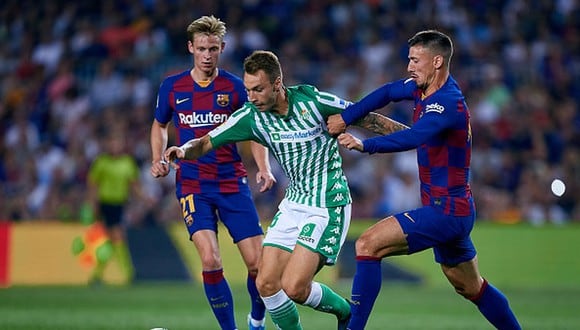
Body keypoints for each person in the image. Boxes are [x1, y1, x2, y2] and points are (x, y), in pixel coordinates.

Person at [164, 50, 408, 330]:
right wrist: (182, 150)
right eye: (248, 90)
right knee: (266, 284)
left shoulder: (315, 102)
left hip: (328, 203)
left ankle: (346, 313)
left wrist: (418, 136)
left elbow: (369, 119)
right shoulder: (251, 116)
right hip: (294, 203)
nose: (252, 97)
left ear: (277, 84)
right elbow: (207, 142)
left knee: (294, 287)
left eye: (258, 89)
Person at [327, 30, 522, 329]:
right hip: (453, 209)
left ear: (437, 61)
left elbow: (415, 136)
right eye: (409, 59)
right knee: (471, 287)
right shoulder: (422, 89)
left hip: (446, 212)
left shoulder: (448, 102)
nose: (409, 66)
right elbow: (387, 92)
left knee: (368, 244)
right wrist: (349, 114)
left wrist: (365, 145)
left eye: (416, 60)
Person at [149, 16, 276, 330]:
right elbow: (159, 125)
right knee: (210, 260)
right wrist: (157, 157)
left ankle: (256, 321)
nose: (207, 55)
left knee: (259, 266)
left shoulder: (235, 87)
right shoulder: (172, 87)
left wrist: (263, 167)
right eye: (202, 48)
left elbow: (254, 131)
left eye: (214, 49)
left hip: (232, 183)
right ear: (191, 47)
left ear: (222, 49)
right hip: (193, 185)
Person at [87, 131, 145, 284]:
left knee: (110, 240)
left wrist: (144, 198)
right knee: (117, 237)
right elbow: (93, 186)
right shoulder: (101, 162)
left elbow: (133, 185)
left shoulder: (127, 163)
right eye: (112, 143)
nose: (114, 146)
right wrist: (93, 205)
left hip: (119, 204)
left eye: (117, 143)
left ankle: (97, 275)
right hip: (105, 204)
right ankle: (129, 274)